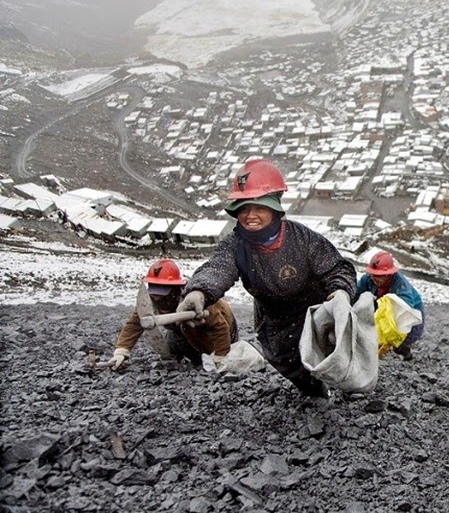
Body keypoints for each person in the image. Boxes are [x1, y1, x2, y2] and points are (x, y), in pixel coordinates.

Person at [176, 158, 357, 398]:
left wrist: (341, 293)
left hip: (316, 309)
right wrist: (198, 292)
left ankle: (347, 389)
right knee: (286, 362)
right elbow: (218, 268)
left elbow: (337, 269)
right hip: (274, 318)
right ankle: (315, 393)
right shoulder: (236, 245)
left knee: (333, 354)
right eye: (243, 208)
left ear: (274, 209)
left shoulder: (303, 239)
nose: (250, 215)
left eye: (259, 207)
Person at [108, 259, 238, 369]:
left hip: (221, 329)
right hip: (181, 329)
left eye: (163, 295)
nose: (158, 299)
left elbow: (220, 327)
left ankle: (205, 356)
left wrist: (220, 358)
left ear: (176, 289)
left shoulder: (197, 299)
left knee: (210, 354)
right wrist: (121, 352)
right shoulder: (149, 301)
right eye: (154, 295)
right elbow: (135, 323)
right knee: (172, 346)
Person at [354, 251, 424, 360]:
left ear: (388, 275)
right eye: (373, 274)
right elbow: (356, 294)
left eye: (378, 276)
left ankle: (406, 353)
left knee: (398, 341)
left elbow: (405, 308)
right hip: (380, 310)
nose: (374, 278)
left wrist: (388, 326)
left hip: (410, 312)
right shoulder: (367, 279)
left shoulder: (400, 284)